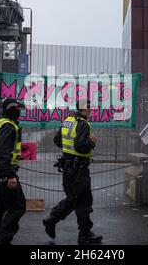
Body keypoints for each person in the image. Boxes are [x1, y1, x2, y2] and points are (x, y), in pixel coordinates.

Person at [42, 100, 102, 244]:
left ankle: (84, 232)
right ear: (85, 109)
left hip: (68, 166)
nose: (92, 111)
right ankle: (54, 220)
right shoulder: (83, 124)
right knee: (81, 200)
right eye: (90, 108)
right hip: (78, 169)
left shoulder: (68, 121)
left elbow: (57, 140)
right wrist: (92, 142)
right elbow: (81, 146)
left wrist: (69, 150)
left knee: (77, 200)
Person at [0, 98, 27, 245]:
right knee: (18, 206)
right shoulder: (8, 126)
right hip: (3, 173)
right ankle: (3, 241)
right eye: (18, 109)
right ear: (12, 109)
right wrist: (10, 175)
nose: (19, 113)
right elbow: (2, 153)